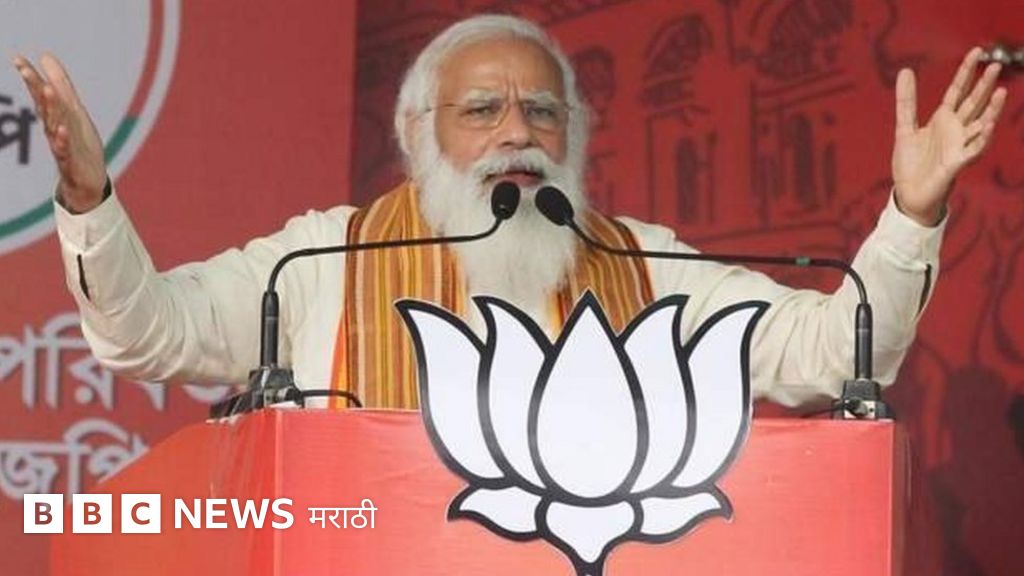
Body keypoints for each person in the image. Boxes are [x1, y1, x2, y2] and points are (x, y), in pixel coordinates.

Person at [11, 15, 1007, 409]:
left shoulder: (648, 264)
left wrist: (910, 212)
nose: (516, 133)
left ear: (573, 133)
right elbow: (146, 334)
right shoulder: (320, 262)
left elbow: (838, 355)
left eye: (541, 111)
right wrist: (91, 199)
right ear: (418, 133)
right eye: (482, 111)